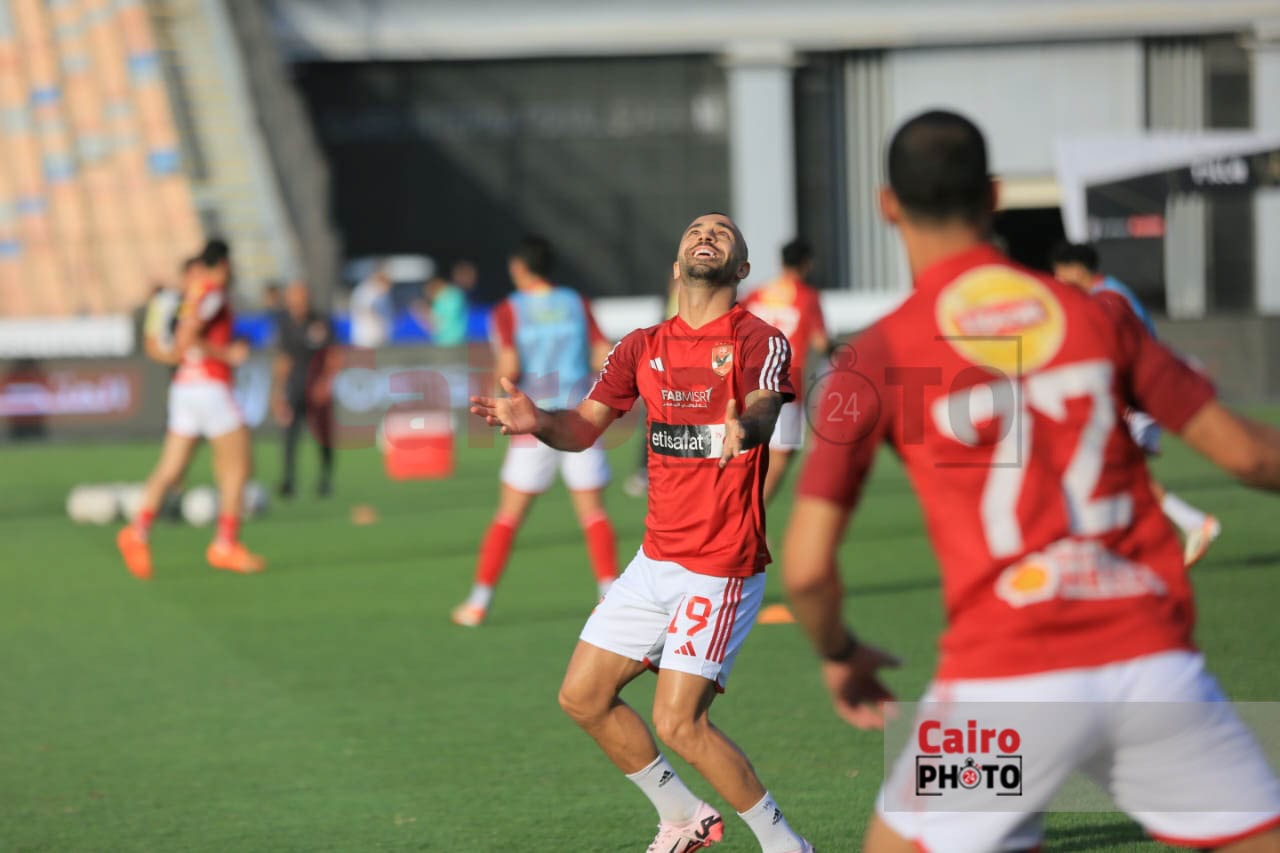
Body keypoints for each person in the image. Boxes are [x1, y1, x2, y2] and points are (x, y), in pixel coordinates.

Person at [783, 110, 1280, 852]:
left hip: (1003, 695)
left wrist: (838, 652)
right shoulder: (1095, 315)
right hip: (1151, 673)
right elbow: (1251, 457)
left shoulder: (879, 354)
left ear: (888, 205)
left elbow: (806, 569)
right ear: (994, 195)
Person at [471, 214, 815, 853]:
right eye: (694, 231)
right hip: (656, 560)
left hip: (720, 564)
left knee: (679, 723)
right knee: (582, 697)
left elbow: (766, 403)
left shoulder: (758, 339)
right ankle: (683, 818)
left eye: (721, 232)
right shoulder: (640, 346)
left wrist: (749, 427)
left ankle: (786, 846)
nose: (705, 235)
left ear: (742, 268)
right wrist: (536, 420)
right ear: (677, 266)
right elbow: (582, 428)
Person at [451, 236, 618, 627]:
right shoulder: (576, 302)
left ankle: (478, 602)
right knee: (593, 514)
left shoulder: (509, 309)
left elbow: (509, 366)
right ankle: (611, 599)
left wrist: (494, 392)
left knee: (509, 515)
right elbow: (603, 354)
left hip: (533, 419)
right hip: (580, 416)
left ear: (519, 267)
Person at [1051, 240, 1221, 566]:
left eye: (1060, 272)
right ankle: (1169, 535)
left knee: (1109, 473)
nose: (1057, 279)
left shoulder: (1109, 299)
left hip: (1133, 398)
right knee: (1116, 476)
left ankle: (1191, 525)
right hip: (1136, 395)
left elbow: (1125, 349)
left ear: (1076, 269)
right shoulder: (1110, 293)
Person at [117, 239, 266, 578]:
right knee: (238, 466)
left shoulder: (192, 294)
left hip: (185, 386)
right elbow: (187, 337)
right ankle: (225, 544)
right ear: (224, 264)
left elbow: (177, 339)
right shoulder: (212, 292)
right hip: (210, 386)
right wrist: (227, 354)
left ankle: (137, 531)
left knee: (170, 468)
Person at [742, 238, 832, 504]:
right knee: (782, 453)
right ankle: (750, 513)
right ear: (807, 264)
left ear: (781, 262)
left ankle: (741, 509)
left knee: (750, 448)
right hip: (784, 382)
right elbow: (821, 342)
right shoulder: (807, 297)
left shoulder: (756, 294)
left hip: (748, 379)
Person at [272, 281, 338, 498]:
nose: (298, 302)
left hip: (317, 385)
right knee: (290, 435)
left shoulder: (321, 321)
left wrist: (326, 382)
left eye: (302, 297)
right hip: (294, 386)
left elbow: (333, 355)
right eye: (294, 297)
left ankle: (325, 479)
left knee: (322, 435)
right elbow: (283, 360)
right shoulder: (285, 324)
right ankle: (288, 480)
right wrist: (278, 393)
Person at [415, 274, 468, 347]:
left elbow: (437, 324)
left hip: (450, 341)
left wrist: (422, 313)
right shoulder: (452, 294)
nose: (428, 296)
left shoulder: (447, 297)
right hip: (450, 340)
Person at [349, 262, 393, 348]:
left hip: (379, 338)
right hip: (366, 338)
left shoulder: (382, 294)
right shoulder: (365, 291)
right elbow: (361, 309)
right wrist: (377, 318)